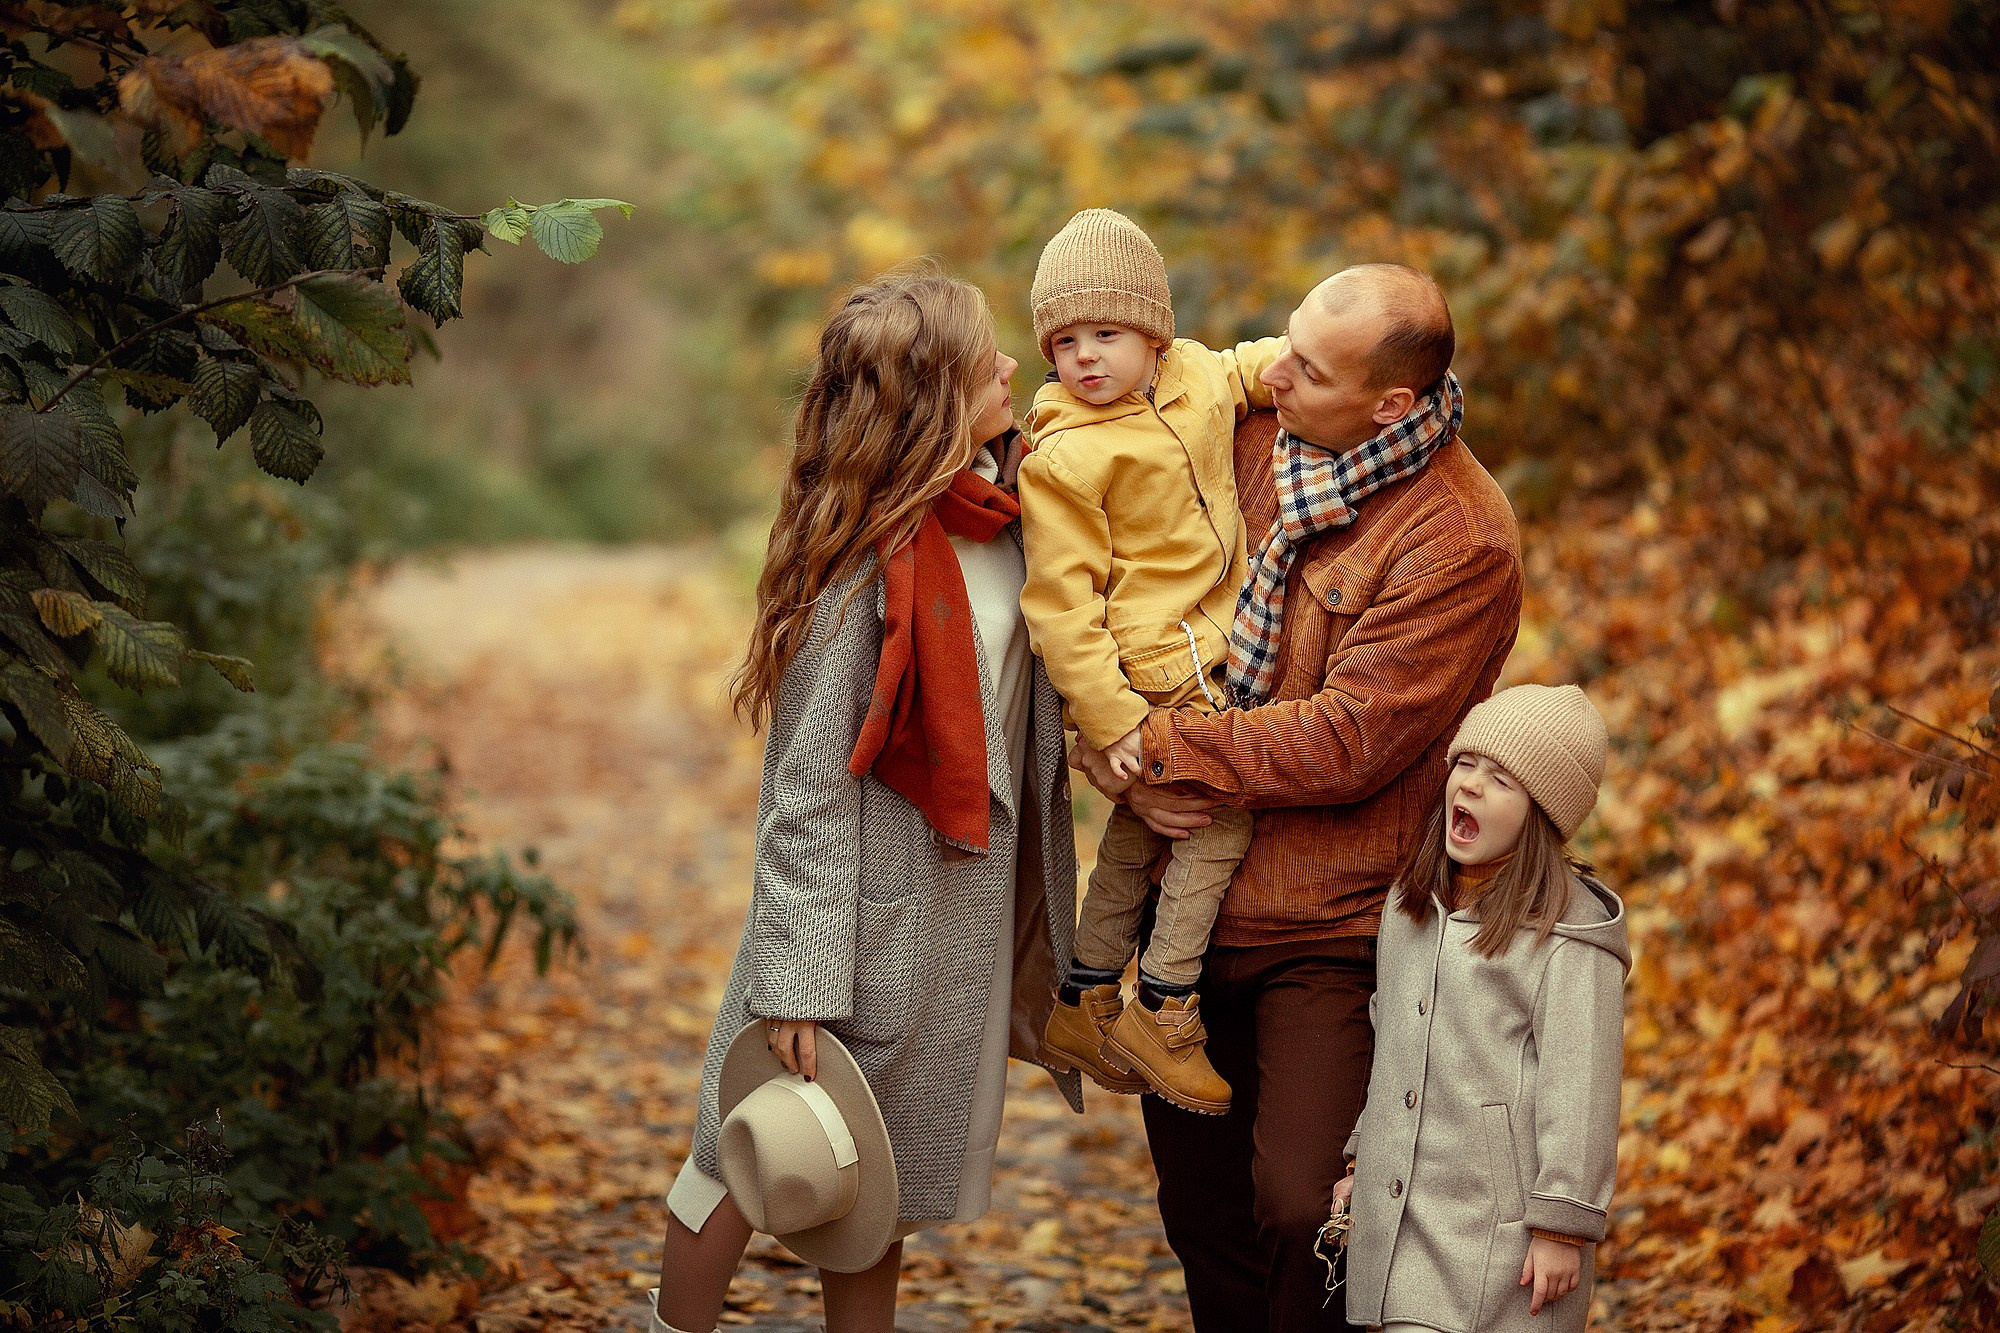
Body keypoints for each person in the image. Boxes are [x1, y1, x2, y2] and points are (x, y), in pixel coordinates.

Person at [1072, 262, 1524, 1331]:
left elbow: (1344, 740)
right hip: (1184, 906)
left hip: (1326, 926)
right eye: (1285, 343)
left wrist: (1154, 749)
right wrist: (1097, 730)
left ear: (1390, 405)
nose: (1274, 372)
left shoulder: (1460, 537)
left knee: (1300, 1208)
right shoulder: (1239, 437)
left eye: (1311, 370)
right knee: (1202, 1212)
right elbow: (1110, 568)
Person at [648, 265, 1083, 1333]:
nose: (1011, 366)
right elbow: (802, 791)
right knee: (737, 1150)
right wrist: (797, 981)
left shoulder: (1008, 513)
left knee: (870, 1176)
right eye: (984, 359)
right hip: (850, 923)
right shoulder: (864, 571)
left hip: (958, 913)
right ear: (934, 396)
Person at [1016, 208, 1284, 1115]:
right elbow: (1062, 608)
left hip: (1212, 647)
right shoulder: (1064, 457)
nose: (1085, 357)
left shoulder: (1196, 376)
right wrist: (1114, 721)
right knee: (1220, 818)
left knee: (1139, 834)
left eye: (1107, 333)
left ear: (1154, 334)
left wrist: (1304, 361)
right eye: (1065, 342)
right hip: (1160, 670)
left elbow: (1249, 367)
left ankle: (1085, 992)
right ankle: (1165, 1004)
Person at [1333, 683, 1627, 1333]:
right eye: (1465, 763)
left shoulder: (1569, 936)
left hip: (1505, 1233)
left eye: (1500, 779)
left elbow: (1581, 1088)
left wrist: (1563, 1224)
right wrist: (1363, 1158)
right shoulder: (1411, 905)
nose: (1470, 784)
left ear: (1540, 813)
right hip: (1406, 1210)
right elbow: (1393, 1048)